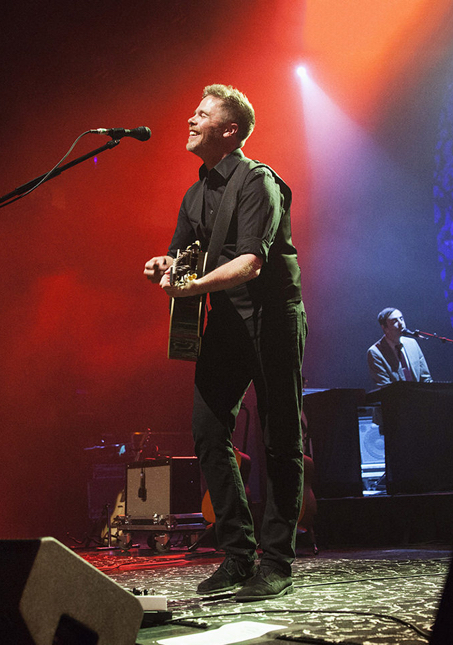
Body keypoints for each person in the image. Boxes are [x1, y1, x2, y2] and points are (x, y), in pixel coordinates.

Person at [144, 84, 306, 601]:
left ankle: (276, 562)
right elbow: (179, 258)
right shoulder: (194, 195)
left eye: (202, 114)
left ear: (230, 130)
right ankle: (238, 555)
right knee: (208, 431)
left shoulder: (258, 181)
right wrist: (162, 269)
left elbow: (251, 262)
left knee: (280, 438)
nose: (190, 120)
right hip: (228, 324)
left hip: (273, 318)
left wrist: (191, 284)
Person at [367, 307, 432, 386]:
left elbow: (425, 378)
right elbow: (385, 386)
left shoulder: (412, 343)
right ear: (384, 327)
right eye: (395, 321)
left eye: (401, 319)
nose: (401, 323)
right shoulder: (375, 352)